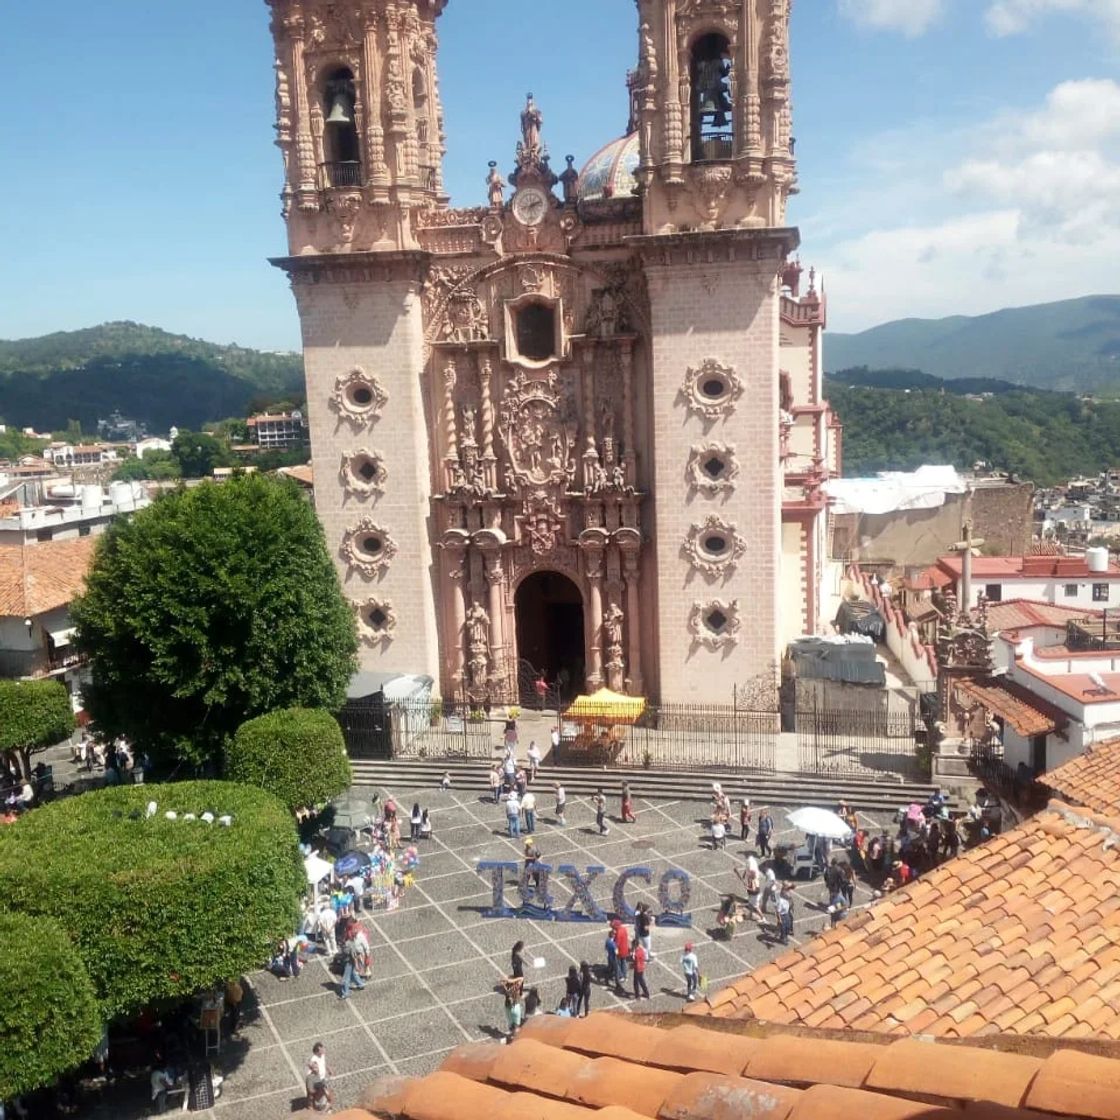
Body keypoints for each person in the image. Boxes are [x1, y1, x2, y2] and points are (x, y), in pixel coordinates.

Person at [339, 928, 367, 999]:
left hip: (349, 963)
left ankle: (345, 993)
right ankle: (360, 984)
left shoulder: (349, 945)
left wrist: (357, 965)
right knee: (353, 974)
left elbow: (354, 956)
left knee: (345, 978)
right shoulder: (349, 943)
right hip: (348, 961)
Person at [307, 1042, 335, 1111]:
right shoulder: (314, 1059)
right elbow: (311, 1067)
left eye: (323, 1048)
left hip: (322, 1079)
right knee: (312, 1095)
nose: (323, 1049)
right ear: (317, 1051)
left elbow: (324, 1063)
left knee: (325, 1093)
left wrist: (329, 1069)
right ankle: (311, 1107)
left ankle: (323, 1107)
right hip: (316, 1080)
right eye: (321, 1049)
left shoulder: (322, 1055)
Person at [503, 976, 525, 1041]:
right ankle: (516, 1038)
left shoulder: (506, 989)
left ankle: (511, 1037)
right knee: (517, 1025)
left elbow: (503, 982)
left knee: (511, 1025)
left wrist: (508, 980)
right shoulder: (515, 987)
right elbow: (522, 978)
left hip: (507, 1007)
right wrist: (512, 980)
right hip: (515, 1006)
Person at [613, 919, 630, 990]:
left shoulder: (618, 932)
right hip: (625, 948)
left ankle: (621, 976)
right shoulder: (624, 929)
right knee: (624, 962)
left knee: (618, 963)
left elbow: (616, 943)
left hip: (620, 950)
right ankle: (625, 975)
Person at [603, 924, 618, 988]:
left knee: (610, 966)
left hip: (609, 956)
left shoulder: (607, 940)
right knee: (616, 969)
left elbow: (606, 948)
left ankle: (609, 973)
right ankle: (615, 980)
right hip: (614, 957)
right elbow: (616, 952)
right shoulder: (613, 944)